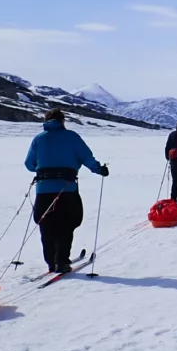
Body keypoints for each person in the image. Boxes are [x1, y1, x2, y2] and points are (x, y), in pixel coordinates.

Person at [24, 109, 108, 273]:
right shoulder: (72, 137)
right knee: (66, 224)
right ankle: (62, 261)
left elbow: (29, 164)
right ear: (62, 121)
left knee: (46, 226)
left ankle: (51, 263)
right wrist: (99, 170)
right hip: (67, 190)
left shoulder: (39, 139)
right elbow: (87, 157)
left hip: (44, 191)